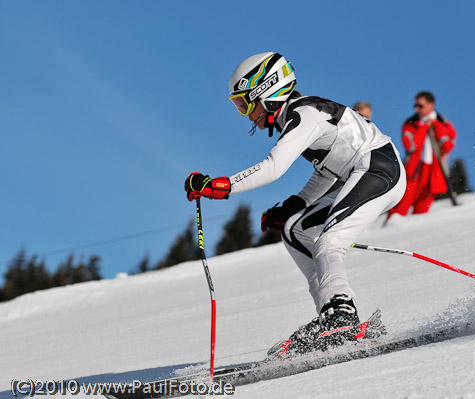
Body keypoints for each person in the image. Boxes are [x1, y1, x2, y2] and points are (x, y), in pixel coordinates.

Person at [184, 52, 406, 355]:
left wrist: (220, 186)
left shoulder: (305, 115)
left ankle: (342, 314)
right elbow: (327, 173)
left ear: (268, 91)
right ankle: (330, 315)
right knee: (295, 229)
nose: (246, 114)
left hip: (379, 170)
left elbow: (273, 167)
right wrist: (296, 204)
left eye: (245, 103)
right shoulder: (298, 117)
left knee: (329, 242)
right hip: (362, 171)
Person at [387, 91, 456, 218]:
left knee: (422, 212)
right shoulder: (410, 123)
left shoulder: (443, 123)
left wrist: (437, 126)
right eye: (416, 106)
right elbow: (411, 146)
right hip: (414, 172)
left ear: (431, 105)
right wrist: (424, 127)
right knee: (399, 209)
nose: (417, 109)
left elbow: (447, 146)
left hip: (434, 173)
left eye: (421, 106)